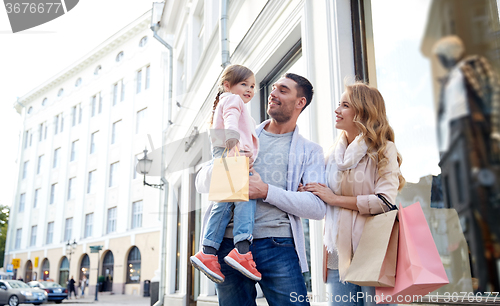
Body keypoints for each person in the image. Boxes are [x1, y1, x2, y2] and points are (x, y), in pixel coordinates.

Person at [196, 72, 326, 306]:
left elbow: (317, 208)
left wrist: (266, 191)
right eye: (273, 88)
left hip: (278, 246)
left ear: (300, 102)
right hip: (227, 246)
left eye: (282, 90)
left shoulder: (310, 151)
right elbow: (200, 181)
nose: (272, 93)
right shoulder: (244, 136)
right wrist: (228, 170)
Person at [300, 83, 405, 306]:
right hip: (337, 252)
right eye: (339, 104)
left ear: (363, 111)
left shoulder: (383, 150)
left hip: (374, 249)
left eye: (345, 105)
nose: (337, 110)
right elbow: (317, 190)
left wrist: (334, 199)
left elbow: (385, 202)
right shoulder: (331, 155)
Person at [190, 64, 261, 283]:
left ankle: (208, 252)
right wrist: (233, 142)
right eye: (244, 84)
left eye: (252, 86)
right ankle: (241, 251)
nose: (249, 89)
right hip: (231, 152)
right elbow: (230, 118)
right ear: (227, 86)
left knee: (223, 204)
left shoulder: (233, 104)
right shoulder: (232, 100)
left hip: (227, 152)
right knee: (245, 199)